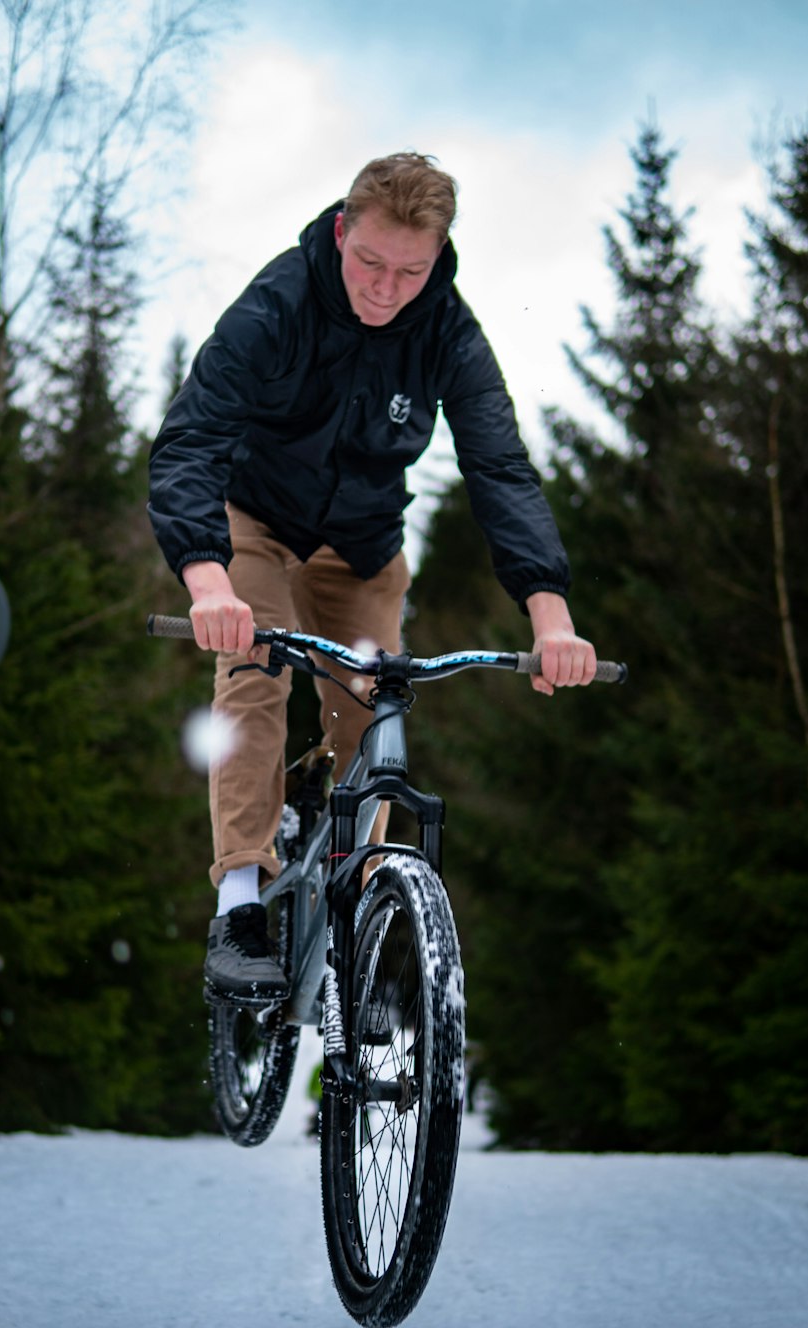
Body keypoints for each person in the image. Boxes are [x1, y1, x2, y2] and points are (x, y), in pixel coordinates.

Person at [148, 152, 596, 1003]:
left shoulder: (447, 334)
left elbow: (500, 469)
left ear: (438, 260)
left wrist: (551, 617)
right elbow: (193, 439)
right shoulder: (276, 305)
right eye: (371, 263)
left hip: (362, 548)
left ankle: (358, 907)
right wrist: (208, 581)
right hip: (256, 527)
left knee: (375, 703)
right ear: (343, 231)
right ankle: (240, 901)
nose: (387, 289)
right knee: (256, 669)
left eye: (412, 272)